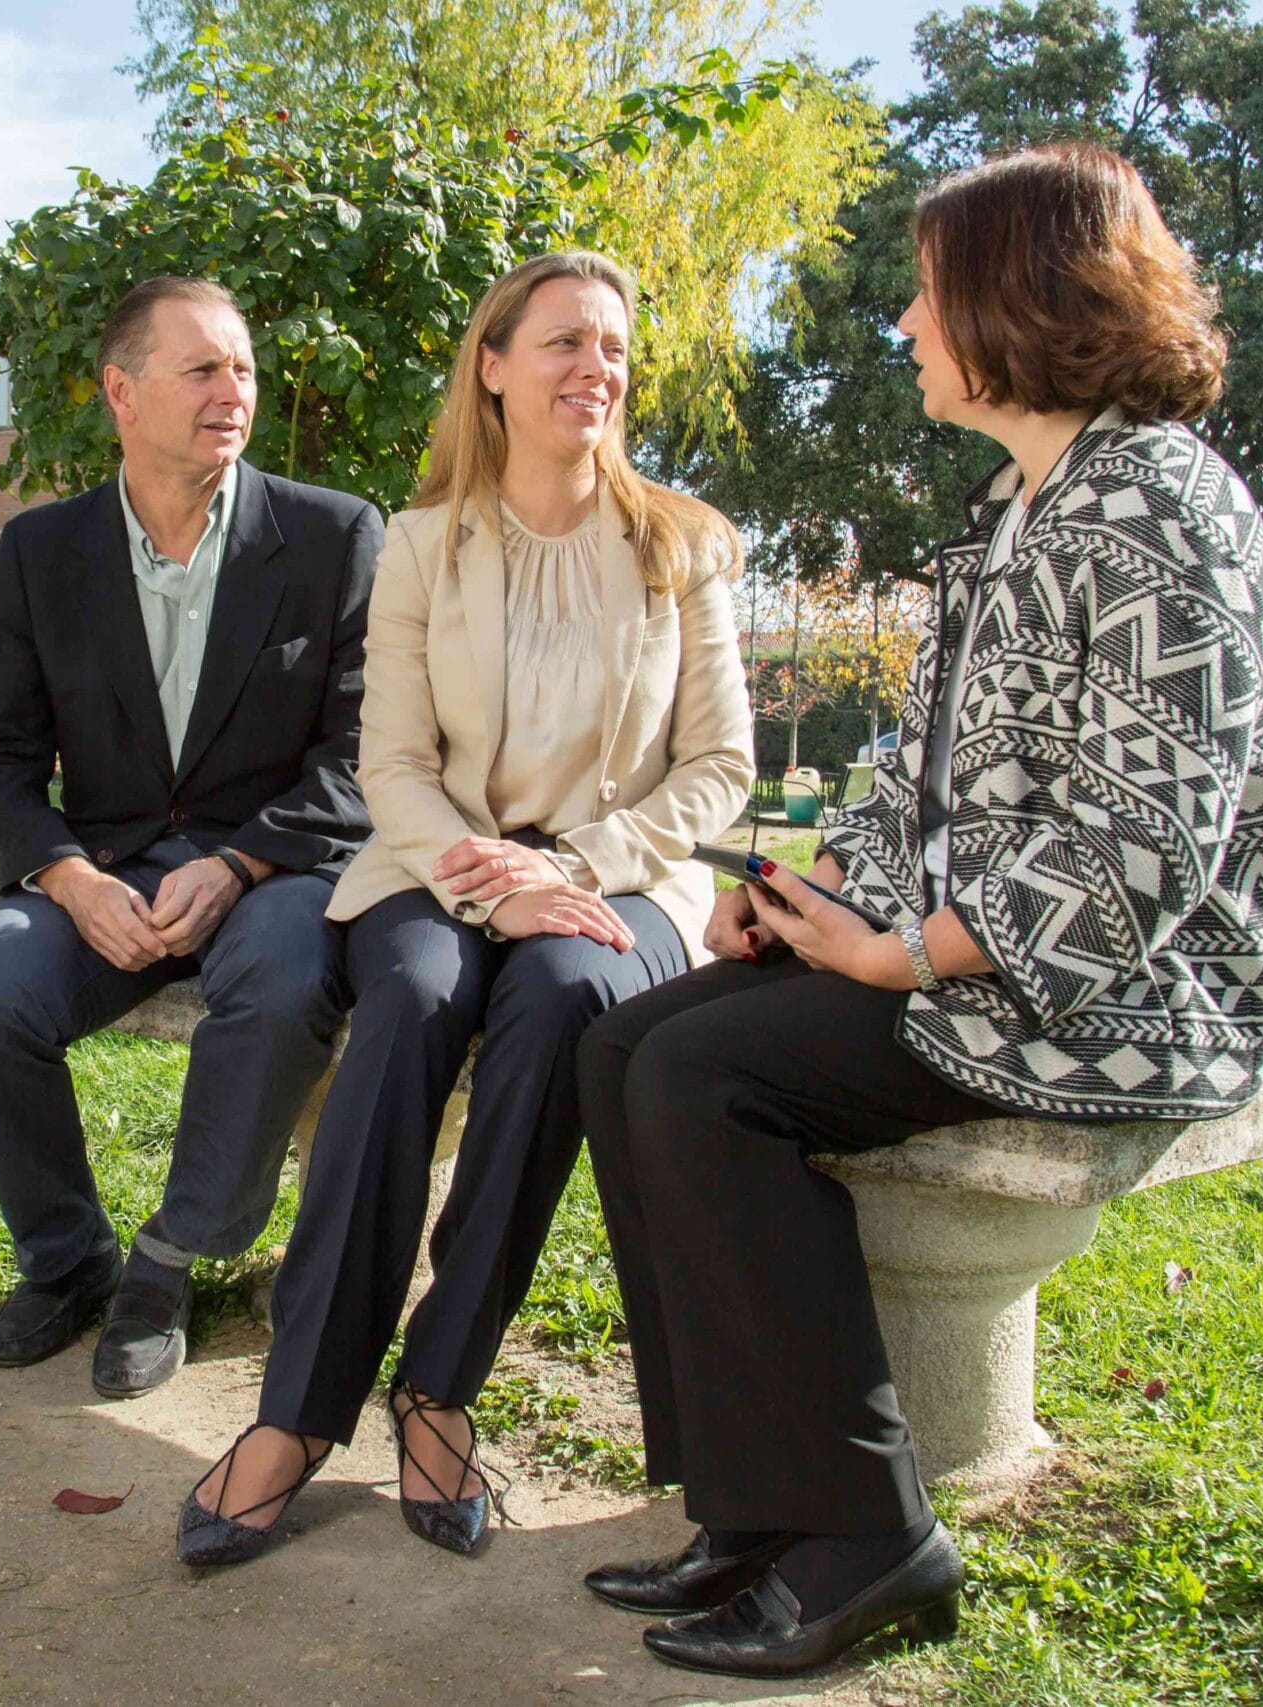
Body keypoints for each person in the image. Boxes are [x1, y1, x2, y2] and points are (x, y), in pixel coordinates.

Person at [575, 142, 1263, 1679]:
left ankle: (869, 1532)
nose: (905, 321)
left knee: (704, 1077)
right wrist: (799, 900)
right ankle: (757, 1504)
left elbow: (1141, 846)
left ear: (1016, 299)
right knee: (625, 1042)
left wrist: (903, 951)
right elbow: (920, 777)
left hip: (1124, 997)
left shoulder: (1158, 507)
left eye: (927, 290)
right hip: (981, 961)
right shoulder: (1016, 512)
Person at [175, 251, 755, 1566]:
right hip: (437, 867)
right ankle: (301, 1408)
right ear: (492, 366)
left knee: (561, 996)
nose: (593, 368)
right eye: (563, 341)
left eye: (612, 346)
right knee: (420, 993)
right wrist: (486, 868)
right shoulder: (424, 542)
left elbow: (722, 767)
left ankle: (439, 1384)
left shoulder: (687, 546)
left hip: (620, 882)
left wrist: (579, 861)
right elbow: (392, 764)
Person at [0, 277, 381, 1400]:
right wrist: (69, 879)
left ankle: (168, 1263)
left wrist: (238, 866)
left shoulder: (333, 535)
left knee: (281, 992)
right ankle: (66, 1259)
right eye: (203, 369)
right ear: (121, 392)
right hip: (103, 868)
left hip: (269, 864)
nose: (235, 392)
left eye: (245, 370)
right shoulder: (43, 551)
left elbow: (366, 749)